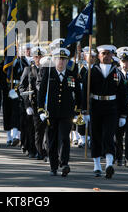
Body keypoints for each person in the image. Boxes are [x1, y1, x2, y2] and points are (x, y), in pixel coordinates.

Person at [81, 45, 126, 179]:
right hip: (95, 107)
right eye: (103, 53)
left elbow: (123, 94)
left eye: (109, 54)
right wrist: (85, 111)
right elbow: (85, 92)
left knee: (108, 135)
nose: (106, 56)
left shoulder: (117, 72)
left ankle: (109, 164)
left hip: (111, 108)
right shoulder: (91, 71)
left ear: (113, 56)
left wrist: (123, 114)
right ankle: (97, 165)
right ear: (98, 56)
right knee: (96, 135)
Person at [37, 48, 82, 177]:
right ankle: (53, 166)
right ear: (54, 60)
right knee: (52, 140)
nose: (61, 62)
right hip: (51, 113)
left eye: (63, 59)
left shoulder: (71, 75)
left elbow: (78, 93)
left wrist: (79, 109)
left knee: (64, 138)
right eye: (58, 59)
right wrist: (40, 110)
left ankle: (65, 163)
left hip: (66, 112)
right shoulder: (49, 73)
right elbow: (41, 94)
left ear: (67, 61)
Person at [19, 46, 47, 159]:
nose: (39, 59)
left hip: (45, 103)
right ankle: (34, 150)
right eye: (36, 56)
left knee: (45, 129)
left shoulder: (48, 69)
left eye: (40, 56)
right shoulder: (28, 69)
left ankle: (44, 150)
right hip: (33, 103)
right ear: (33, 57)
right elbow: (21, 88)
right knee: (34, 129)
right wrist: (27, 105)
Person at [76, 46, 97, 149]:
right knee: (82, 118)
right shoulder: (81, 69)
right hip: (81, 96)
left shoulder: (97, 69)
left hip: (93, 97)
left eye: (94, 57)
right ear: (85, 57)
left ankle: (90, 138)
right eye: (90, 56)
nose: (92, 58)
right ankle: (82, 138)